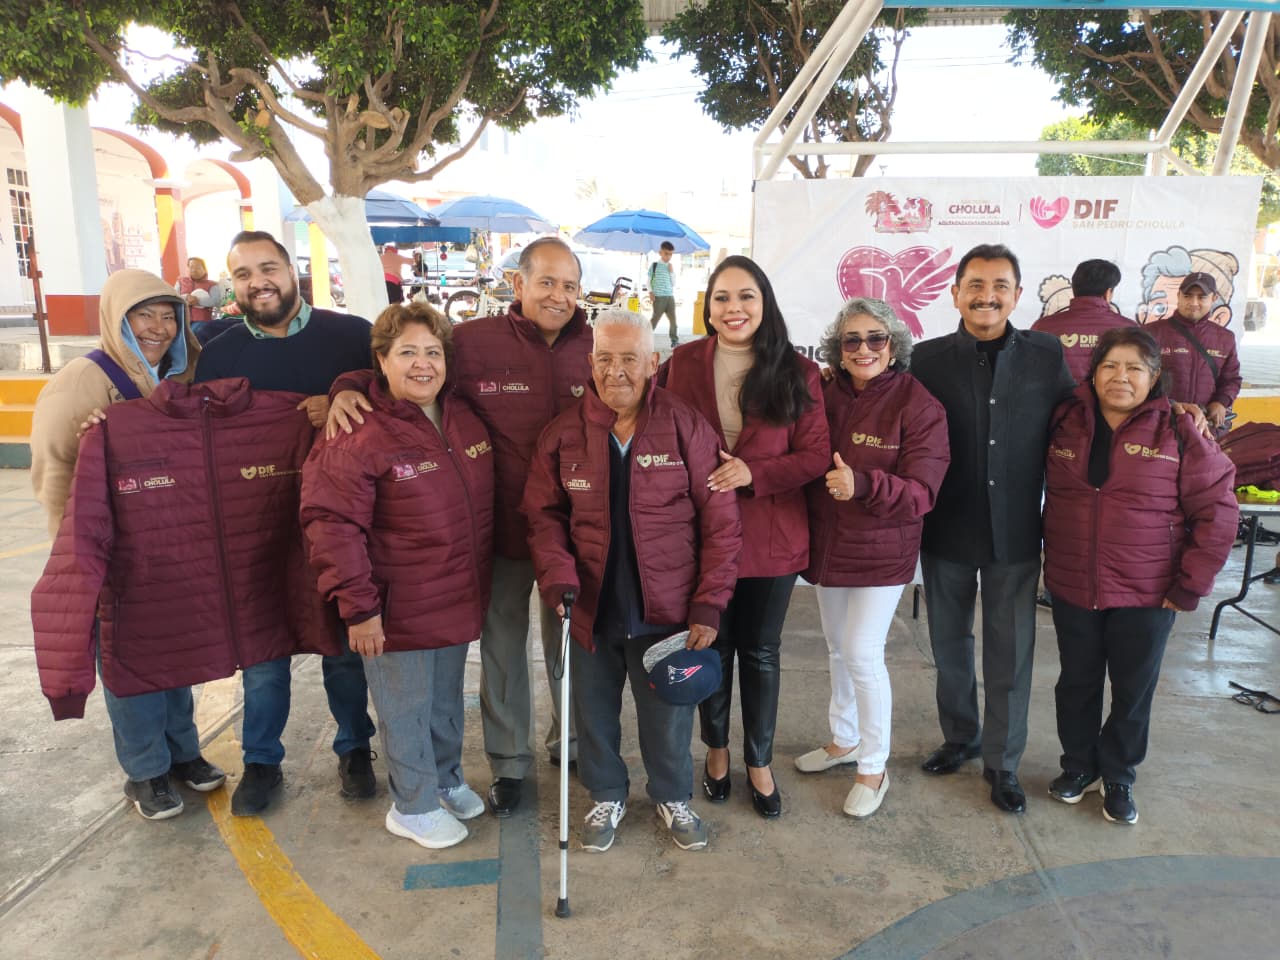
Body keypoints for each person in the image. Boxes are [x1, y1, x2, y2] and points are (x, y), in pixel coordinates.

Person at [329, 236, 592, 818]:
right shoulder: (473, 342)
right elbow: (405, 368)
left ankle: (571, 743)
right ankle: (510, 762)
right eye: (546, 282)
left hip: (574, 535)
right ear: (518, 284)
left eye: (570, 285)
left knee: (571, 644)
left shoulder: (594, 345)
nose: (558, 295)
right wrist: (344, 388)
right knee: (503, 649)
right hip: (500, 532)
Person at [522, 308, 741, 852]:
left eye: (628, 358)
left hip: (664, 610)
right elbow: (543, 517)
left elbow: (720, 522)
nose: (615, 370)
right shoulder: (563, 434)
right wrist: (557, 579)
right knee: (593, 714)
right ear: (590, 360)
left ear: (652, 362)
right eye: (604, 358)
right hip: (588, 607)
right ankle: (606, 795)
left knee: (667, 716)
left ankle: (672, 795)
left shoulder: (686, 426)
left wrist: (709, 603)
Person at [29, 268, 225, 819]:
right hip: (108, 553)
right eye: (143, 315)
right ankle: (146, 772)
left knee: (174, 657)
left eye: (168, 316)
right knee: (129, 665)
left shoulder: (177, 378)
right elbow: (53, 471)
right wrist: (80, 553)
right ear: (117, 319)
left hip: (168, 547)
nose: (158, 328)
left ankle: (183, 753)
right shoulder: (83, 380)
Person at [196, 229, 377, 817]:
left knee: (343, 647)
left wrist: (347, 394)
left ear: (291, 269)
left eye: (268, 268)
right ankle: (261, 762)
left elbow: (395, 397)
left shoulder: (351, 337)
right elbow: (196, 437)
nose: (258, 282)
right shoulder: (219, 354)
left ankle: (355, 749)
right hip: (257, 528)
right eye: (243, 274)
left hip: (340, 523)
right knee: (263, 655)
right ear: (232, 284)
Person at [301, 302, 494, 849]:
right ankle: (412, 805)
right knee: (403, 708)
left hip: (454, 594)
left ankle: (445, 779)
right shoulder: (357, 430)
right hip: (394, 605)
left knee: (444, 702)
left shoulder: (460, 415)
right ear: (381, 361)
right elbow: (331, 525)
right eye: (407, 352)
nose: (423, 364)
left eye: (433, 352)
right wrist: (359, 608)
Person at [1043, 326, 1237, 824]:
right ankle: (1078, 766)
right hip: (1073, 582)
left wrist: (1191, 584)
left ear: (1154, 378)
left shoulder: (1179, 430)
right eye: (1110, 366)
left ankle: (1119, 775)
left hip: (1148, 591)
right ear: (1093, 373)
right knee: (1076, 683)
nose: (1121, 377)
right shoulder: (1064, 422)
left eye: (1135, 368)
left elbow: (1218, 510)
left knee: (1132, 690)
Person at [657, 255, 828, 819]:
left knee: (760, 651)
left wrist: (754, 472)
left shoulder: (798, 371)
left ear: (764, 303)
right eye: (722, 297)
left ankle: (758, 760)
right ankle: (716, 750)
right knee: (711, 646)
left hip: (772, 538)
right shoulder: (682, 364)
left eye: (746, 296)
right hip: (699, 538)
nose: (734, 308)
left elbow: (815, 455)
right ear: (708, 307)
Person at [911, 243, 1074, 815]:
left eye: (1000, 285)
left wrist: (1164, 408)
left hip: (1015, 531)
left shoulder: (1047, 355)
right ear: (955, 293)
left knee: (1011, 652)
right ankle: (961, 736)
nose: (987, 296)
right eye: (975, 285)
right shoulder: (925, 359)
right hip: (946, 527)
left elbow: (1079, 419)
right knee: (949, 645)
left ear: (1017, 294)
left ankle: (1003, 763)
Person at [797, 297, 950, 819]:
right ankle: (844, 740)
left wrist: (862, 484)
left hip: (883, 553)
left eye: (875, 338)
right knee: (838, 649)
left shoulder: (918, 404)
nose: (864, 349)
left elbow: (923, 492)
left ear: (893, 345)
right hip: (828, 547)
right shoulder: (822, 393)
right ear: (837, 349)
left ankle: (874, 766)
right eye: (852, 340)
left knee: (862, 653)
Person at [1145, 272, 1242, 435]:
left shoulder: (1225, 338)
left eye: (1201, 297)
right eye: (1187, 296)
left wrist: (1221, 402)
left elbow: (1231, 379)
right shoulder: (1151, 332)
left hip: (1206, 428)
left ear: (1214, 298)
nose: (1193, 303)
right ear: (1178, 296)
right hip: (1161, 423)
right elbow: (1139, 379)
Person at [1031, 259, 1136, 382]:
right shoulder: (1131, 330)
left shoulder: (1042, 327)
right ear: (1108, 293)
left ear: (1074, 289)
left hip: (1056, 395)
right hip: (1110, 395)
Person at [176, 256, 225, 325]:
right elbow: (174, 297)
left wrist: (197, 301)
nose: (194, 270)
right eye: (191, 267)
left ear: (204, 269)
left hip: (202, 322)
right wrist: (186, 297)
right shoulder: (181, 282)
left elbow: (215, 301)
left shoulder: (212, 285)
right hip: (182, 321)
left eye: (198, 267)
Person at [648, 241, 679, 348]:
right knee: (654, 320)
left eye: (670, 254)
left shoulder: (670, 266)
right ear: (660, 252)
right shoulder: (654, 266)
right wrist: (650, 292)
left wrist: (671, 272)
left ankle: (674, 341)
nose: (668, 256)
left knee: (673, 321)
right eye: (666, 253)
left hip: (670, 297)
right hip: (659, 298)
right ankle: (644, 338)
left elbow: (673, 283)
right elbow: (649, 281)